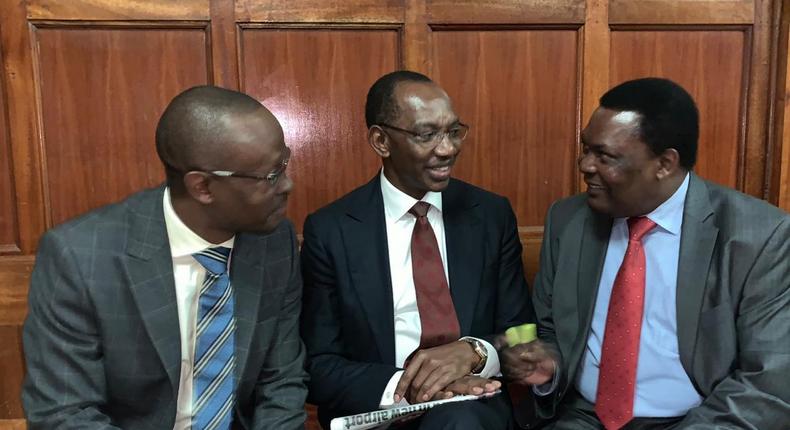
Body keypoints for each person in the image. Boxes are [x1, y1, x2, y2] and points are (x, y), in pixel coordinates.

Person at [502, 77, 790, 429]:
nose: (585, 165)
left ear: (665, 164)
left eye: (605, 156)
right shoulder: (568, 220)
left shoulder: (759, 237)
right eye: (586, 148)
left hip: (701, 420)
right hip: (584, 418)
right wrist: (550, 366)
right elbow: (552, 333)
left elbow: (769, 380)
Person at [22, 86, 308, 429]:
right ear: (202, 187)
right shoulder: (81, 257)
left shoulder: (274, 243)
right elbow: (64, 412)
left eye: (284, 164)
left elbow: (281, 382)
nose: (287, 185)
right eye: (271, 176)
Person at [300, 70, 535, 429]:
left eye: (454, 132)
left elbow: (524, 331)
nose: (448, 148)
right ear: (381, 141)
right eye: (427, 135)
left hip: (471, 409)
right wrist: (415, 386)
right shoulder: (332, 230)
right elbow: (318, 363)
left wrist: (474, 352)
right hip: (378, 410)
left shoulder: (490, 215)